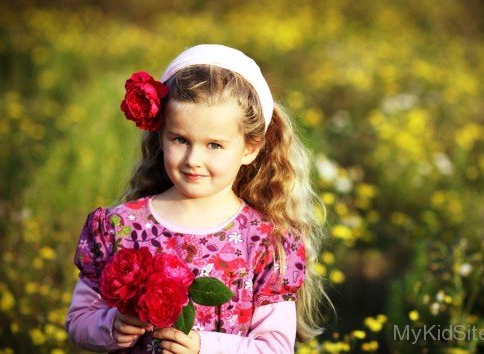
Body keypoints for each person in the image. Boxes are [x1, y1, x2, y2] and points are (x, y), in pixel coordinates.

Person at [66, 44, 330, 354]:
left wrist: (204, 347)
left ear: (250, 148)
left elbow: (274, 347)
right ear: (161, 136)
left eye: (214, 145)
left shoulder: (263, 240)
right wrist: (110, 326)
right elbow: (79, 320)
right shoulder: (120, 226)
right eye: (180, 139)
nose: (193, 159)